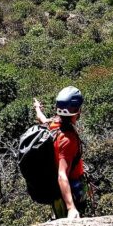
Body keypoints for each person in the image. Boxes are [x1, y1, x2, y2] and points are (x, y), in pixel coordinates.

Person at [34, 86, 86, 219]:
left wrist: (37, 108)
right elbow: (62, 174)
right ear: (77, 111)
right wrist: (71, 208)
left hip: (59, 191)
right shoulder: (67, 139)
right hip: (70, 189)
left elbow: (42, 119)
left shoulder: (54, 124)